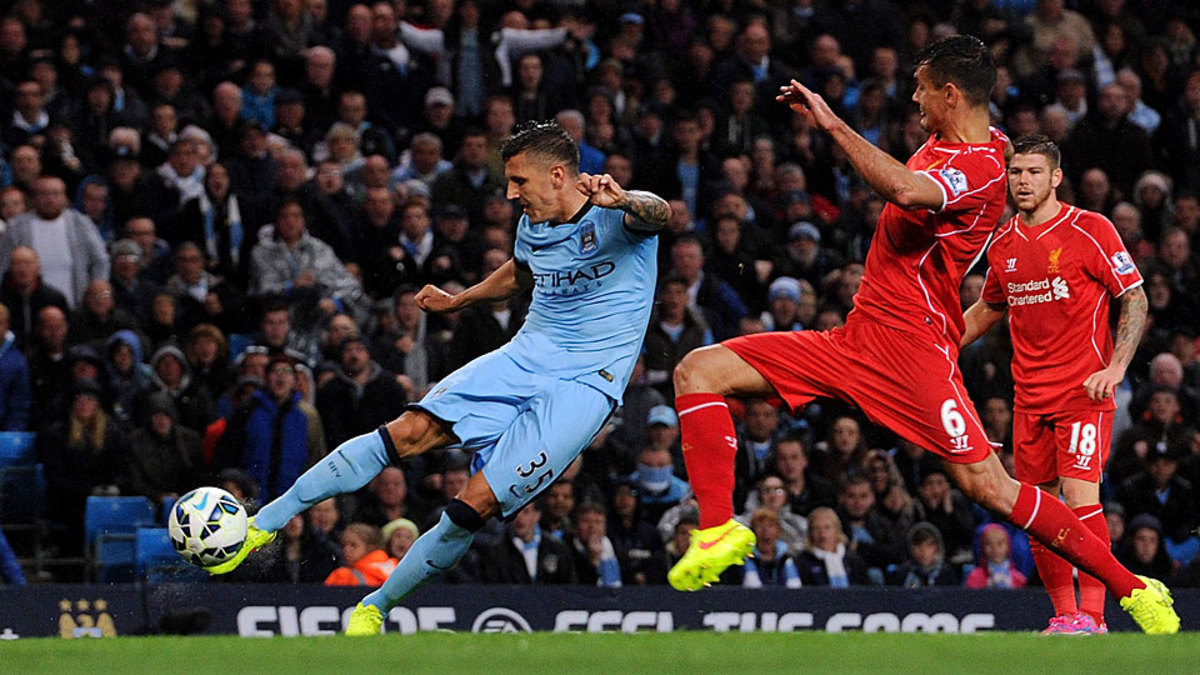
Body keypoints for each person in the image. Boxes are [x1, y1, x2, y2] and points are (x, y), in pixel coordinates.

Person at [665, 35, 1178, 633]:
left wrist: (832, 125)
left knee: (992, 488)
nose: (914, 99)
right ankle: (717, 529)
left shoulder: (983, 168)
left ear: (950, 94)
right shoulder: (970, 144)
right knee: (697, 370)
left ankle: (1132, 589)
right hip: (857, 338)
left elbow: (906, 190)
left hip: (913, 349)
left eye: (923, 88)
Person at [202, 122, 669, 635]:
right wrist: (459, 300)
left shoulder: (617, 215)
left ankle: (375, 607)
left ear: (557, 175)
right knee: (406, 431)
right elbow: (521, 271)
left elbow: (659, 213)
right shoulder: (532, 226)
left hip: (585, 386)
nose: (511, 194)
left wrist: (626, 199)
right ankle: (261, 525)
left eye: (519, 181)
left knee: (472, 507)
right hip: (526, 355)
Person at [961, 134, 1149, 634]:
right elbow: (988, 308)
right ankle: (1065, 614)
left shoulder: (1091, 229)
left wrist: (1116, 368)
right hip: (1028, 398)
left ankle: (1095, 617)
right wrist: (939, 343)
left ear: (1056, 177)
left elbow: (1134, 297)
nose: (1023, 181)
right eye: (1016, 172)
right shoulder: (1003, 242)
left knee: (1082, 499)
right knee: (1039, 510)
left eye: (1034, 172)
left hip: (1083, 393)